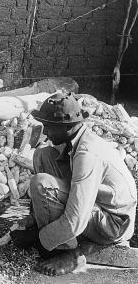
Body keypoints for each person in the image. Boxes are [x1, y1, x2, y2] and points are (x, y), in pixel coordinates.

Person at [10, 92, 137, 276]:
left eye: (49, 127)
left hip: (114, 223)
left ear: (67, 127)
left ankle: (66, 253)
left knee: (41, 184)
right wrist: (34, 221)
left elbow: (76, 220)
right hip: (99, 205)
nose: (45, 132)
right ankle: (47, 230)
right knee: (42, 155)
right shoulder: (75, 139)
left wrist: (39, 238)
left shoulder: (87, 153)